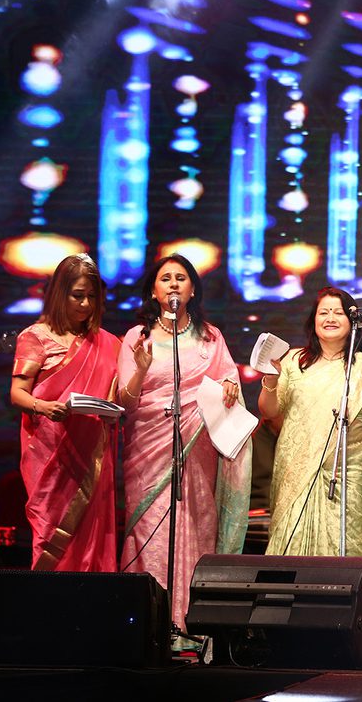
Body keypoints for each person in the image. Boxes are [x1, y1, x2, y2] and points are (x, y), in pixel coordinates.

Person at [117, 255, 248, 632]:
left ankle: (188, 622)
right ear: (154, 291)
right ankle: (147, 622)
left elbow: (229, 381)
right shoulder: (136, 337)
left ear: (192, 290)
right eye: (165, 278)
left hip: (197, 446)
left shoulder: (211, 336)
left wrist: (229, 386)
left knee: (195, 524)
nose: (174, 284)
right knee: (150, 526)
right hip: (148, 449)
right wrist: (141, 368)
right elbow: (125, 403)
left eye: (181, 278)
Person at [258, 287, 362, 570]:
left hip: (347, 475)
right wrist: (271, 380)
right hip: (296, 473)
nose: (330, 317)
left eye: (338, 312)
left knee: (344, 553)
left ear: (353, 322)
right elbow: (270, 410)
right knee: (289, 550)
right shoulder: (292, 362)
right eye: (323, 312)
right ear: (313, 320)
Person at [9, 254, 121, 572]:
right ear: (60, 294)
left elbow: (115, 395)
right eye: (77, 296)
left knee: (92, 533)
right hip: (50, 455)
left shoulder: (109, 344)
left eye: (92, 297)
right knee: (49, 532)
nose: (85, 304)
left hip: (92, 456)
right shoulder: (35, 338)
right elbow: (17, 393)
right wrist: (43, 407)